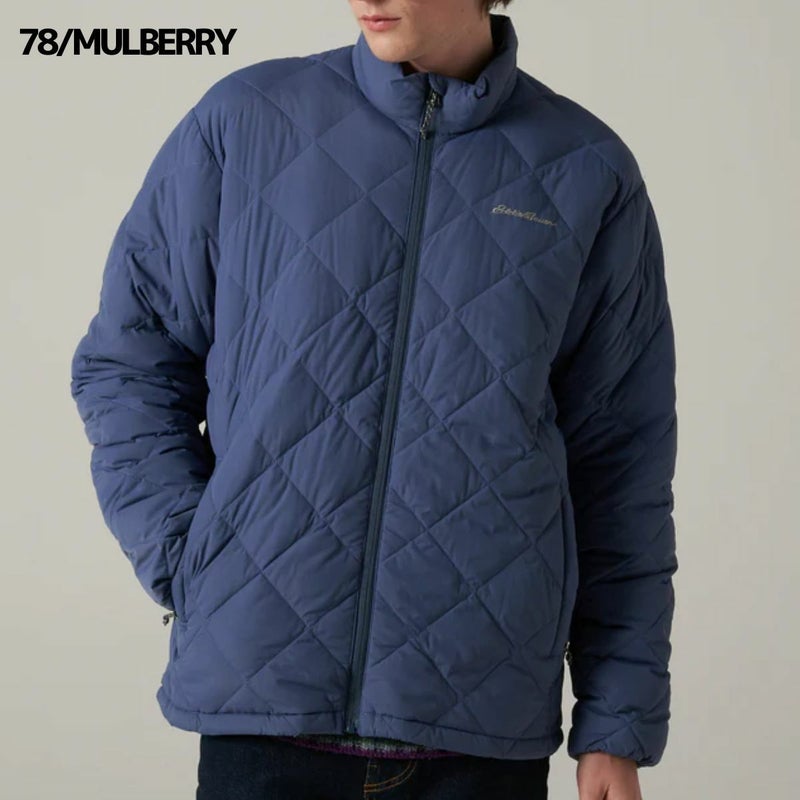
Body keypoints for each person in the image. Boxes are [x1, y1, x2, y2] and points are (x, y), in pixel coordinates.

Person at [69, 0, 678, 798]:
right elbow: (129, 363)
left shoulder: (587, 169)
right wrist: (197, 558)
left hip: (479, 734)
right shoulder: (246, 122)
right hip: (265, 721)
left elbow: (622, 465)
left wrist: (615, 720)